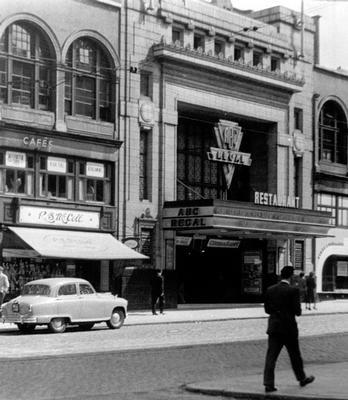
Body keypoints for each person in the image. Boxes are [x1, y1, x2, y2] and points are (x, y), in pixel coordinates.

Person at [263, 266, 315, 393]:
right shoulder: (293, 291)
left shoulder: (270, 289)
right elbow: (297, 312)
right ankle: (302, 378)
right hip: (289, 329)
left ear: (281, 275)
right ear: (291, 277)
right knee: (295, 355)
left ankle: (268, 384)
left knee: (271, 357)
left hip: (274, 328)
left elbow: (267, 310)